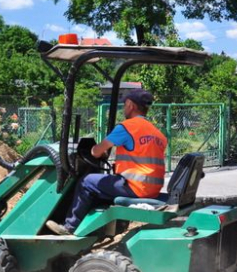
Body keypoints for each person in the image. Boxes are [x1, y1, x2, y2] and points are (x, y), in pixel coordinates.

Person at [46, 88, 167, 235]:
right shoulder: (157, 133)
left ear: (130, 104)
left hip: (134, 187)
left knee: (87, 182)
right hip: (152, 189)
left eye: (125, 105)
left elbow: (96, 151)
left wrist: (96, 151)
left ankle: (69, 227)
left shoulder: (128, 127)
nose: (124, 109)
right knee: (102, 184)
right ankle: (97, 228)